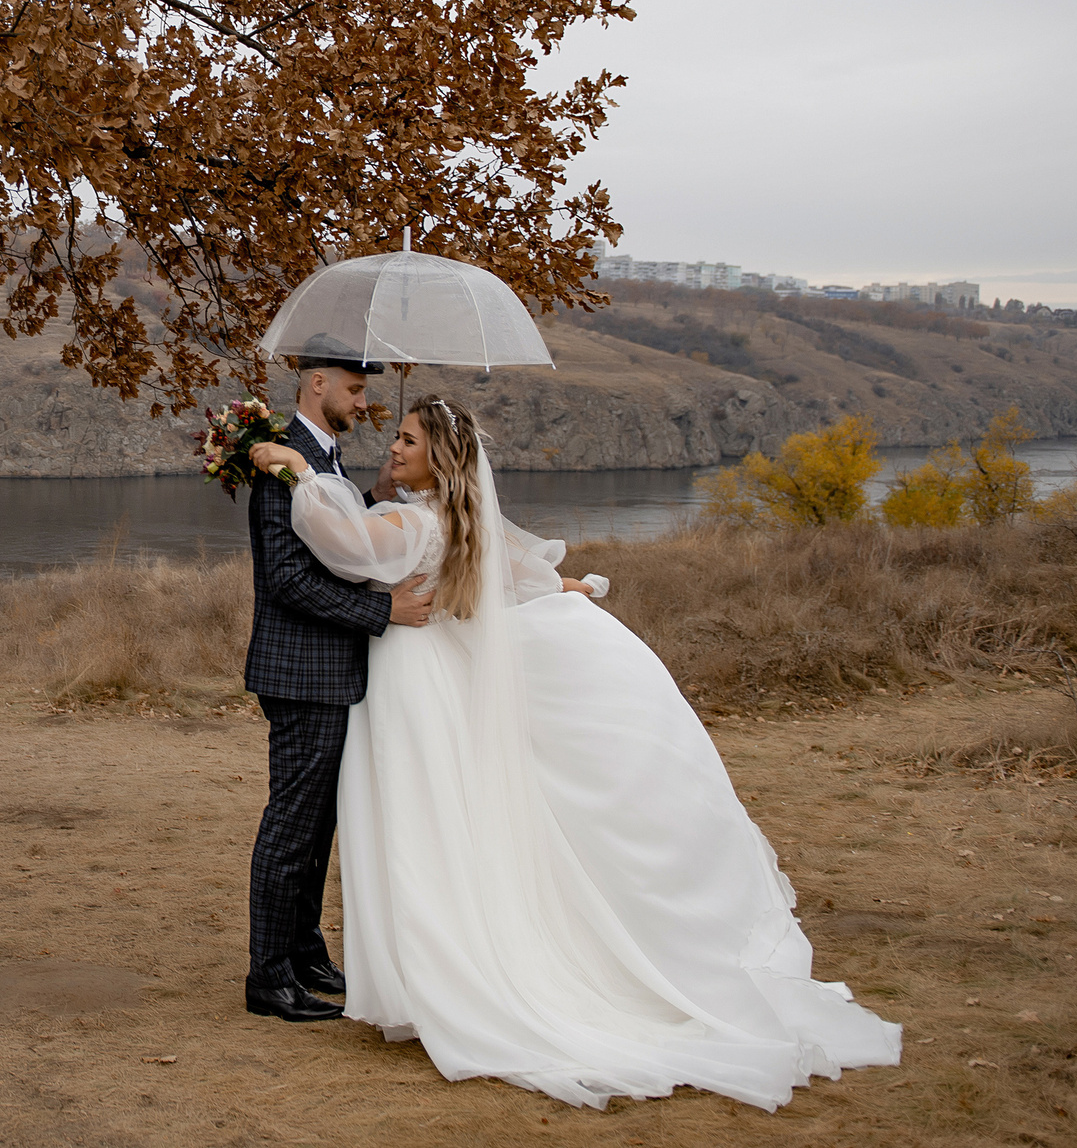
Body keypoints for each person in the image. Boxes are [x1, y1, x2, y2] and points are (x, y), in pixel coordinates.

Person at [247, 398, 901, 1110]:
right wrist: (572, 585)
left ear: (439, 458)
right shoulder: (461, 524)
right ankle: (421, 969)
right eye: (398, 436)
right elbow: (518, 573)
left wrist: (298, 467)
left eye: (408, 439)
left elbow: (337, 540)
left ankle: (428, 977)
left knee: (412, 822)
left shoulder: (409, 523)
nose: (394, 445)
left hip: (407, 685)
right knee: (438, 823)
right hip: (427, 684)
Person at [236, 347, 437, 1023]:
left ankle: (302, 949)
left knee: (318, 825)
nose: (362, 403)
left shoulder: (321, 459)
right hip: (302, 671)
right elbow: (290, 579)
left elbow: (340, 540)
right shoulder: (279, 460)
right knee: (292, 825)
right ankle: (268, 976)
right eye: (353, 390)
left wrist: (375, 496)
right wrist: (386, 611)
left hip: (326, 670)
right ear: (317, 384)